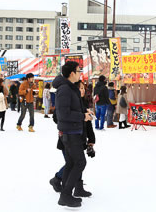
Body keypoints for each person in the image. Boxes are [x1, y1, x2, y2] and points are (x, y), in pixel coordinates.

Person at [52, 61, 93, 208]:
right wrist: (82, 117)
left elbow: (70, 110)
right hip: (70, 132)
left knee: (71, 163)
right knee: (80, 162)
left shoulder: (69, 88)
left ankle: (65, 194)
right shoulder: (65, 89)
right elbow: (63, 114)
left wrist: (84, 113)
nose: (80, 72)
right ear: (71, 73)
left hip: (73, 131)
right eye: (78, 70)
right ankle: (66, 194)